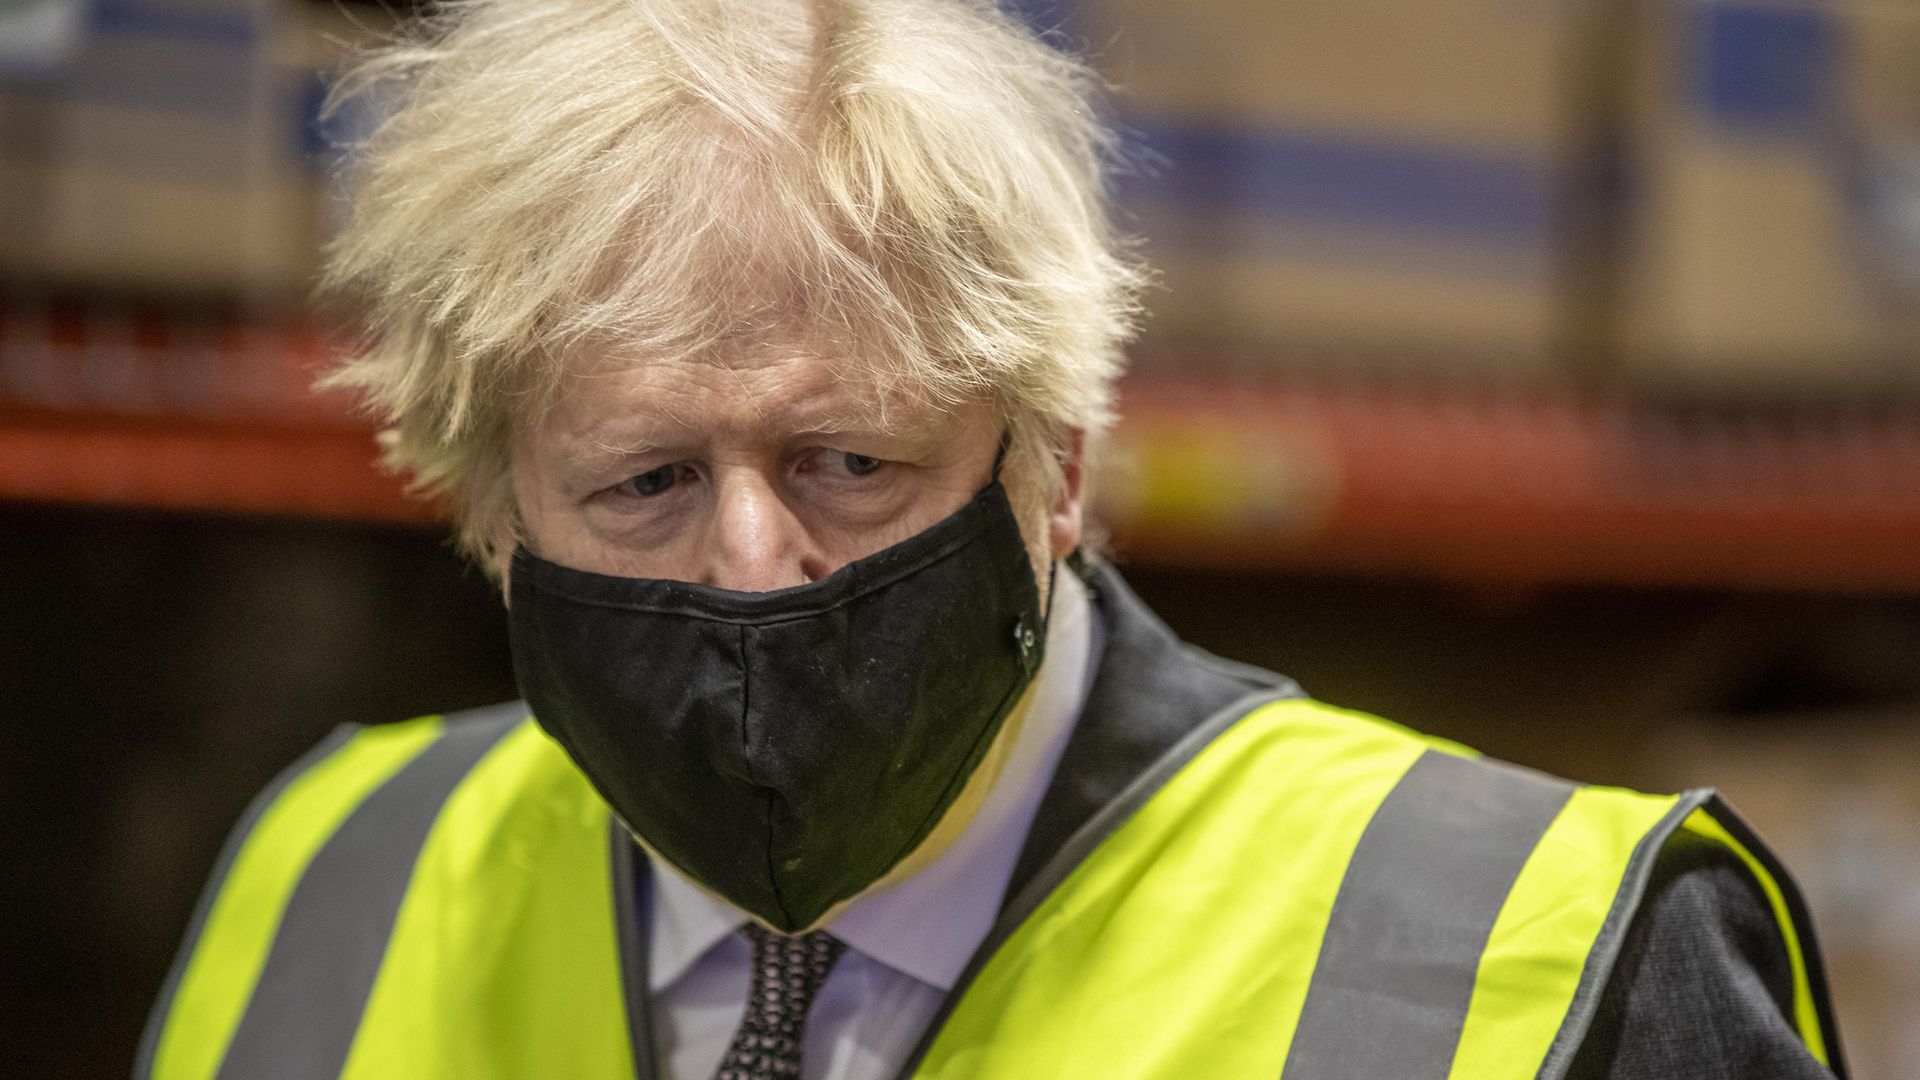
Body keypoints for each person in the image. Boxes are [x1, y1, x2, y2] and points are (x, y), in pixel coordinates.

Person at [137, 1, 1845, 1077]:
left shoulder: (1546, 964)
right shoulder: (329, 884)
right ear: (495, 518)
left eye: (850, 458)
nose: (751, 563)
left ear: (1059, 469)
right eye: (645, 483)